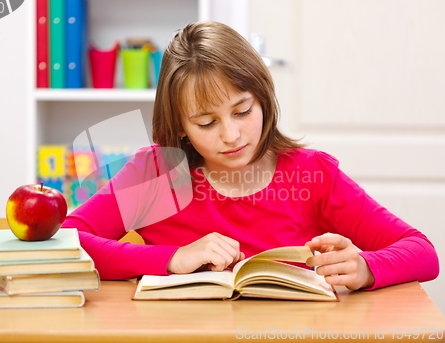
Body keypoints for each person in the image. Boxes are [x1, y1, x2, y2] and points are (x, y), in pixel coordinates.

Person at [62, 21, 439, 291]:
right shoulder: (155, 175)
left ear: (263, 98)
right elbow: (67, 240)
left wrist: (366, 268)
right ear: (179, 127)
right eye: (207, 122)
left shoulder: (312, 173)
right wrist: (172, 259)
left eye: (242, 111)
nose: (231, 135)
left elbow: (423, 252)